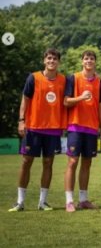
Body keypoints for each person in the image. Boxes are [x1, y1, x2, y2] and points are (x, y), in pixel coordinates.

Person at [9, 48, 66, 212]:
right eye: (49, 58)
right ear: (44, 61)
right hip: (33, 127)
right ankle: (20, 202)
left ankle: (43, 202)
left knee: (48, 163)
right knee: (26, 161)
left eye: (54, 59)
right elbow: (25, 100)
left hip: (53, 128)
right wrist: (21, 121)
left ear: (58, 62)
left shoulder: (63, 80)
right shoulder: (33, 77)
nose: (51, 61)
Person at [63, 50, 101, 212]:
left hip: (91, 128)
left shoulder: (99, 82)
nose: (89, 61)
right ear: (82, 61)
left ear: (95, 62)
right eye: (86, 58)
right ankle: (69, 201)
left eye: (92, 58)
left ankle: (83, 200)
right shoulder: (73, 78)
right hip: (75, 126)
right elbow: (66, 102)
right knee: (73, 162)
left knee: (87, 163)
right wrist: (81, 97)